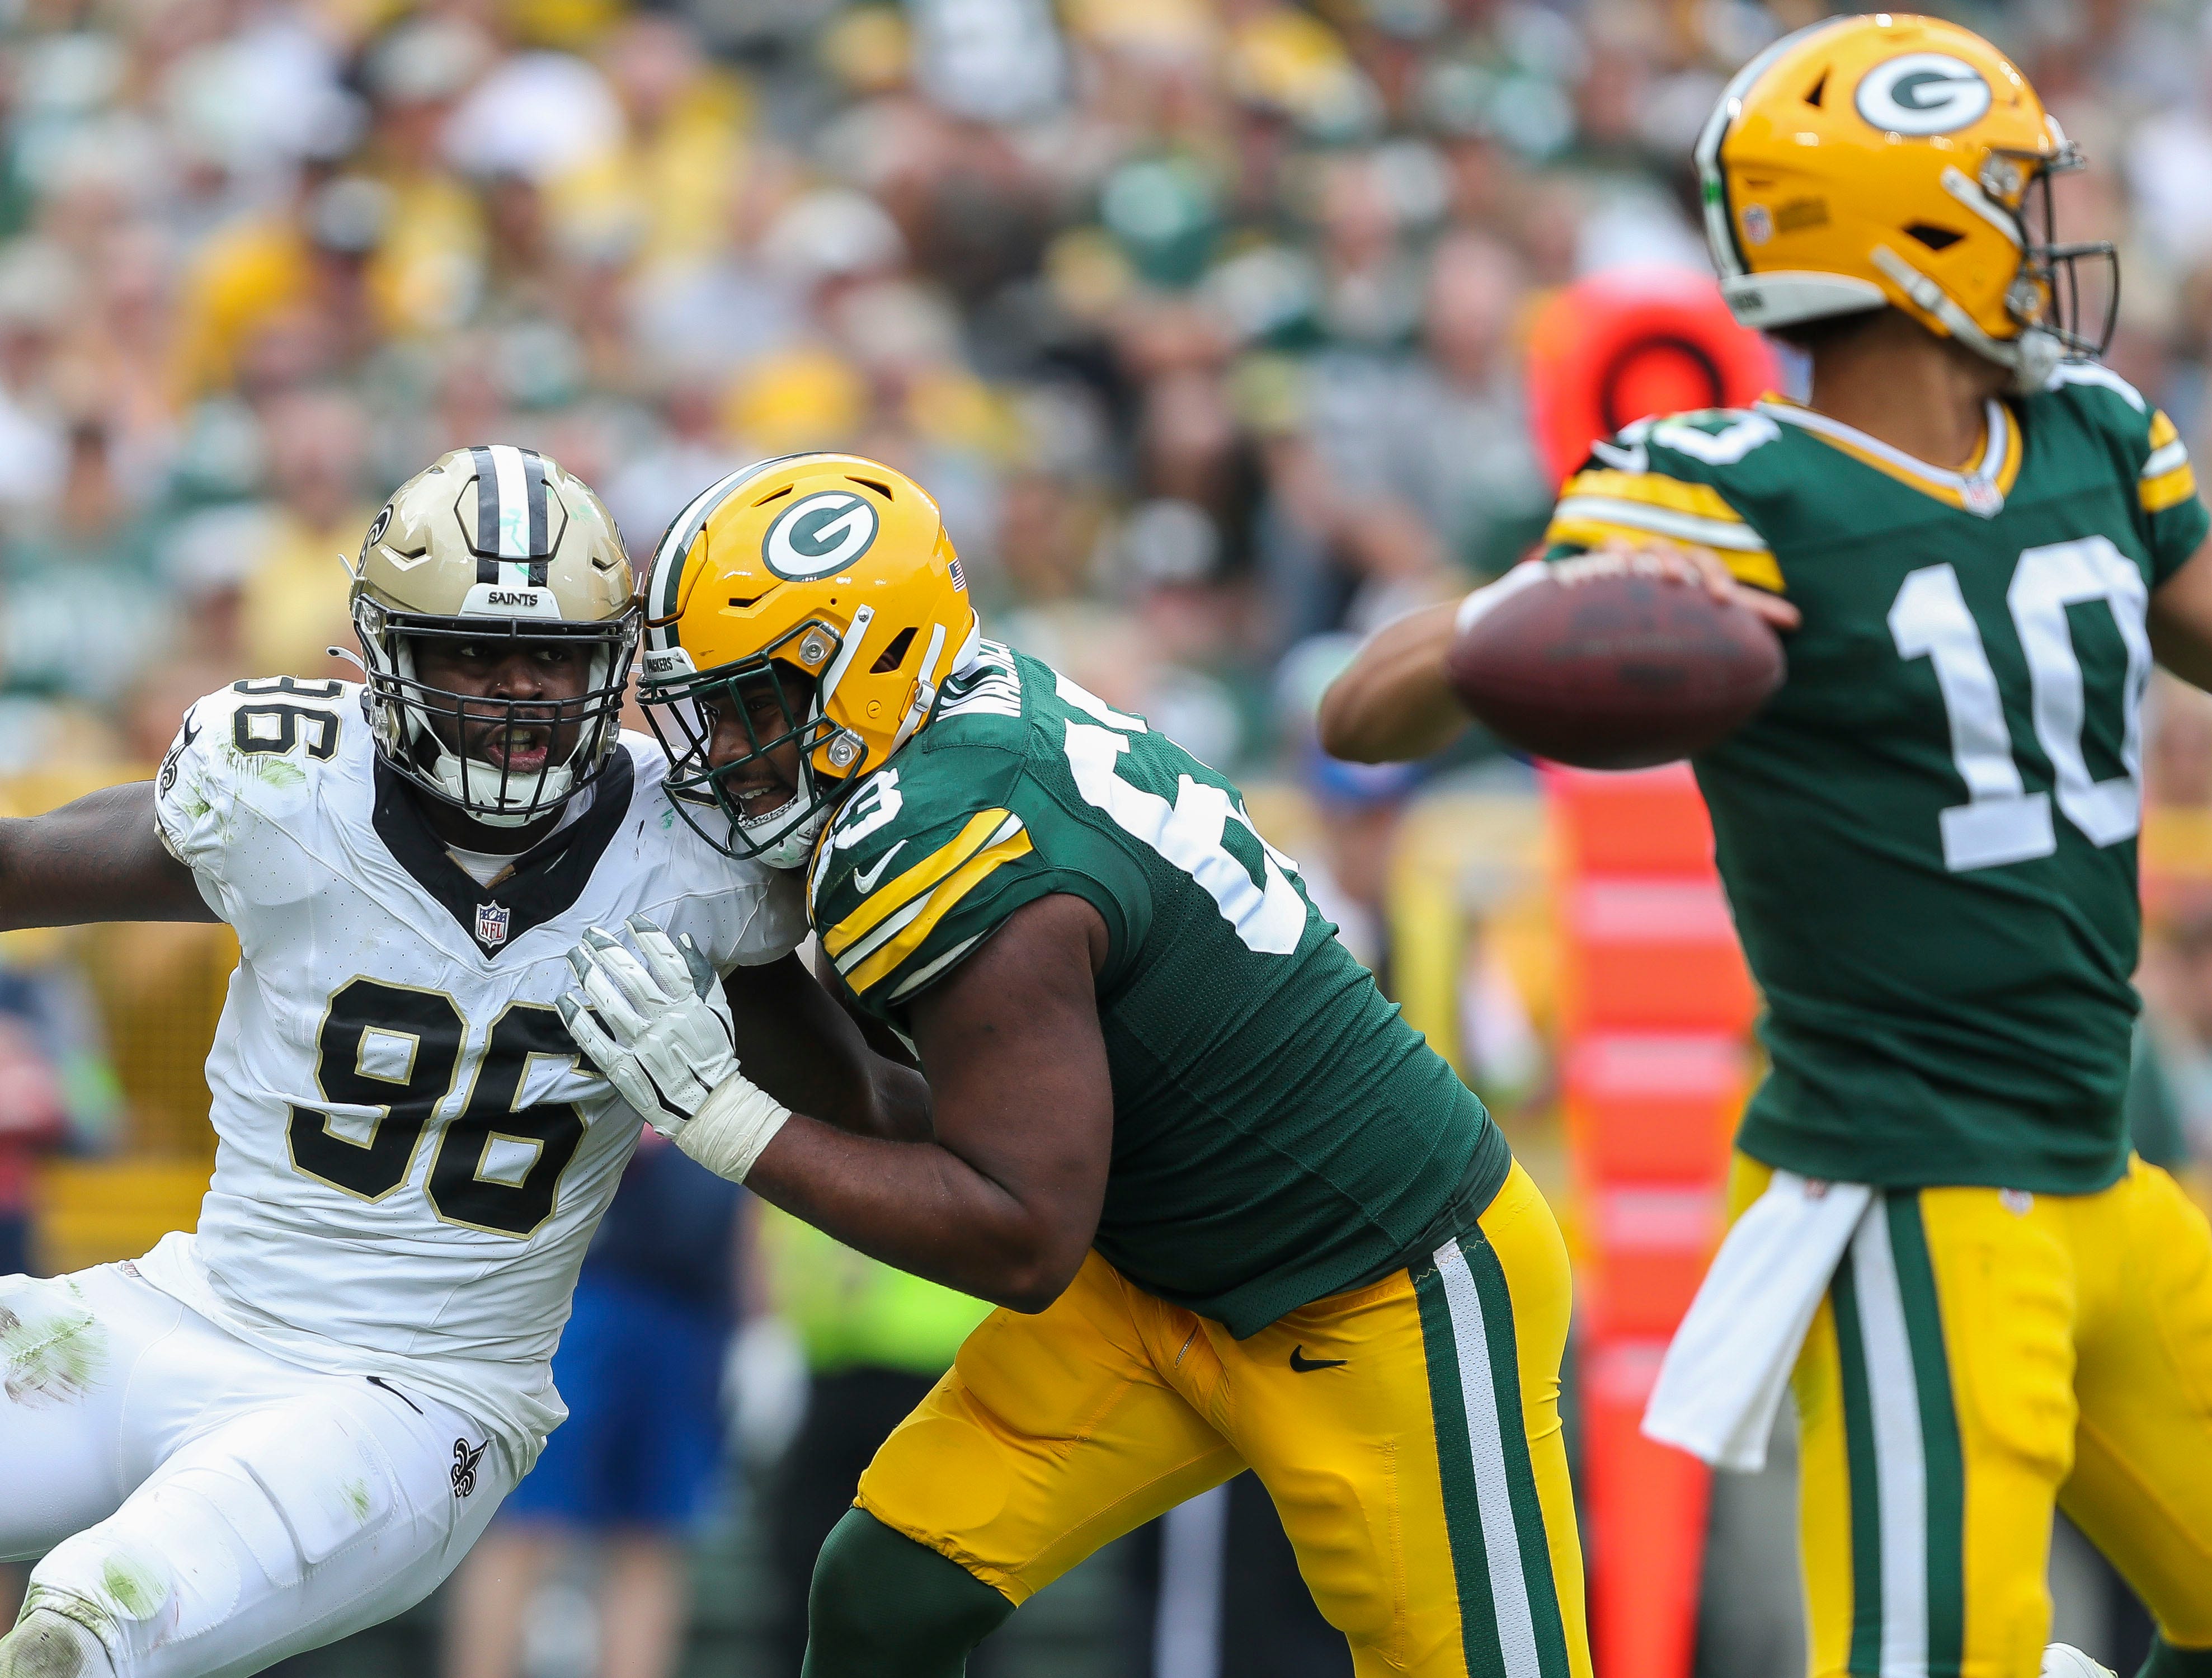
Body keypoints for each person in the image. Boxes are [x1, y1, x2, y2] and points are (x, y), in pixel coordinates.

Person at [1317, 17, 2212, 1678]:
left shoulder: (2091, 436)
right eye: (2007, 199)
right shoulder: (1723, 488)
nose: (2046, 238)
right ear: (1912, 236)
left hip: (2102, 1169)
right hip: (1910, 1192)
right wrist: (1549, 610)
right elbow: (1360, 713)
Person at [560, 453, 1588, 1678]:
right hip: (1160, 1268)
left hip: (1383, 1283)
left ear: (862, 672)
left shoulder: (957, 833)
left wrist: (723, 1117)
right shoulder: (948, 732)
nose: (720, 747)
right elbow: (895, 1104)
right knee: (886, 1586)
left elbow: (1021, 1236)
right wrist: (738, 965)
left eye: (751, 704)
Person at [0, 445, 924, 1678]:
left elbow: (877, 1104)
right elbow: (24, 862)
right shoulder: (285, 786)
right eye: (475, 650)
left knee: (84, 1618)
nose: (518, 689)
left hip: (426, 1394)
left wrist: (720, 1095)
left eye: (553, 655)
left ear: (613, 665)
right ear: (390, 654)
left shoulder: (688, 853)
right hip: (194, 1309)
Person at [443, 1129, 745, 1678]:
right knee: (527, 1517)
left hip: (692, 1310)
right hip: (584, 1288)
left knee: (652, 1534)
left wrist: (762, 1324)